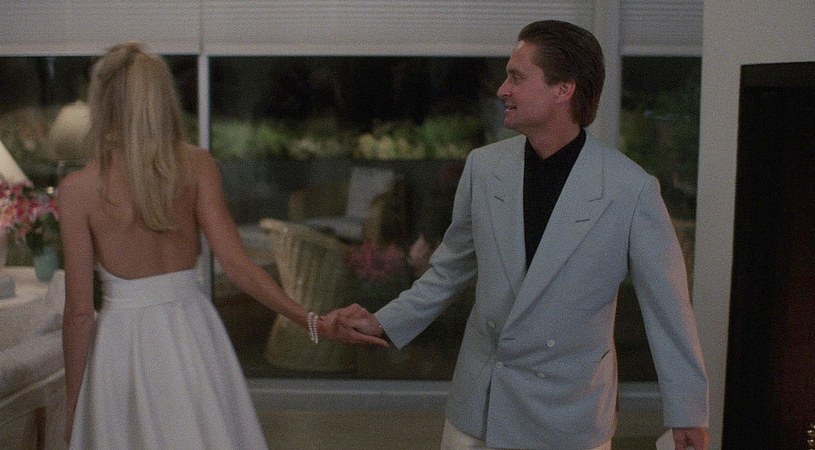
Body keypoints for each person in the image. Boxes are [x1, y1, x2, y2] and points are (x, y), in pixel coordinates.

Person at [331, 20, 709, 450]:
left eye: (516, 77)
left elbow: (668, 309)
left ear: (563, 89)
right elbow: (447, 273)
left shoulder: (630, 190)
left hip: (568, 417)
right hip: (479, 411)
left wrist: (687, 413)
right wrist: (383, 323)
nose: (502, 90)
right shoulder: (483, 167)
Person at [59, 42, 386, 448]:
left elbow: (78, 314)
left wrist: (72, 408)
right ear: (162, 98)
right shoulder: (196, 165)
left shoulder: (78, 190)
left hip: (123, 349)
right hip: (192, 335)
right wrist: (311, 320)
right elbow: (238, 266)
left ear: (103, 103)